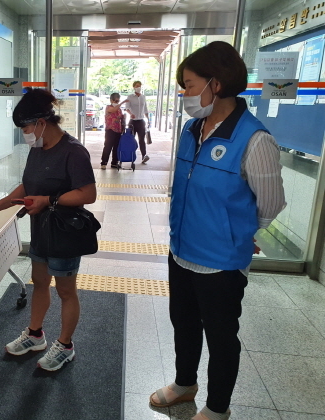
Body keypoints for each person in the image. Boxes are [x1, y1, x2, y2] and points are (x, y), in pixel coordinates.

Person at [149, 41, 285, 420]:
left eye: (189, 86)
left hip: (221, 262)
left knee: (222, 336)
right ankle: (184, 383)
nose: (184, 95)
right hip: (182, 249)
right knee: (184, 322)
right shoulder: (192, 129)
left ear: (216, 84)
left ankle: (217, 407)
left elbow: (271, 202)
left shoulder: (254, 140)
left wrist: (240, 232)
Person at [0, 88, 96, 371]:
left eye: (26, 127)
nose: (25, 133)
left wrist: (50, 201)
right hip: (41, 230)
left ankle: (65, 345)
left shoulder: (74, 152)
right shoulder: (37, 149)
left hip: (65, 232)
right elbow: (28, 185)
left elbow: (88, 194)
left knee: (66, 290)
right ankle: (35, 334)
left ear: (42, 121)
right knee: (39, 282)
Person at [124, 80, 150, 164]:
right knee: (131, 139)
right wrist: (131, 114)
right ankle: (130, 156)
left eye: (140, 86)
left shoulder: (143, 97)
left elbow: (145, 108)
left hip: (141, 121)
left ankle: (144, 156)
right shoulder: (130, 97)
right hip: (132, 122)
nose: (139, 87)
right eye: (137, 86)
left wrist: (148, 119)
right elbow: (127, 108)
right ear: (134, 87)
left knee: (142, 139)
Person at [100, 93, 128, 169]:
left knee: (116, 147)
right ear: (111, 100)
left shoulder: (119, 109)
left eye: (118, 101)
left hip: (118, 130)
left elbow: (121, 118)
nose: (117, 103)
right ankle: (104, 163)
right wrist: (122, 103)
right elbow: (114, 110)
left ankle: (114, 162)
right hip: (110, 130)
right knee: (108, 146)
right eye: (116, 101)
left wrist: (124, 118)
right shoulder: (108, 107)